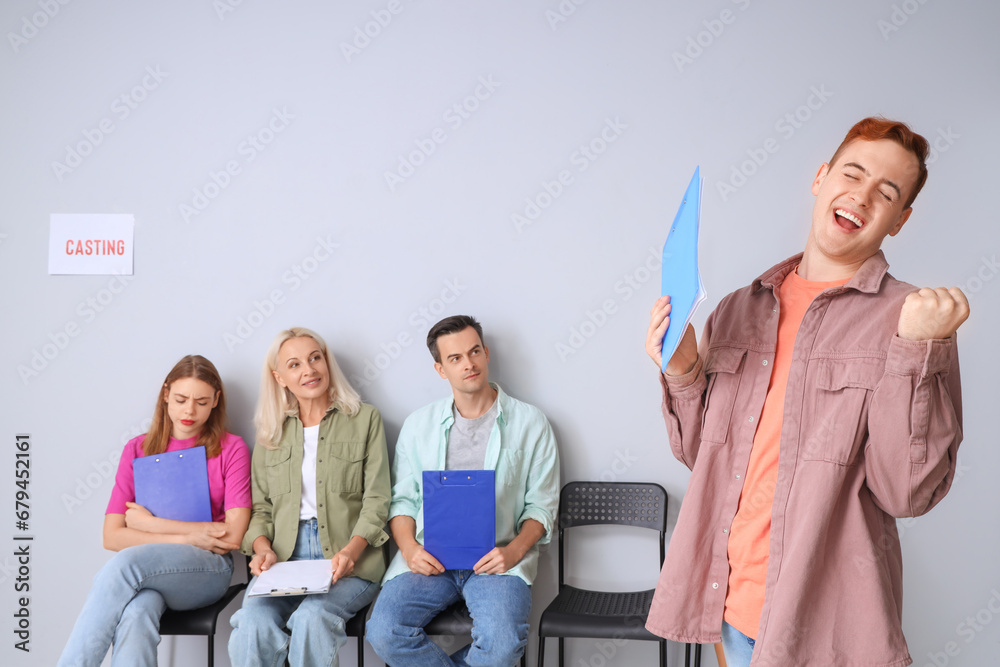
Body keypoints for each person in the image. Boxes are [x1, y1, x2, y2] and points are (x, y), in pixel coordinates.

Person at [643, 117, 969, 666]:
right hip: (730, 605)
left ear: (900, 220)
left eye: (886, 193)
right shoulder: (739, 308)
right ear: (821, 177)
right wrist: (683, 369)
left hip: (823, 622)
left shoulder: (910, 320)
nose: (861, 196)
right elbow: (704, 456)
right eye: (852, 173)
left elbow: (906, 493)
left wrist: (918, 352)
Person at [367, 315, 560, 667]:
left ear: (486, 354)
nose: (468, 364)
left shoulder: (532, 423)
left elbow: (542, 507)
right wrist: (409, 549)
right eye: (455, 358)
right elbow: (403, 501)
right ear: (441, 369)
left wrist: (514, 551)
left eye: (474, 352)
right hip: (429, 557)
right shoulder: (417, 426)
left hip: (497, 560)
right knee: (382, 631)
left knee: (502, 644)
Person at [58, 355, 251, 667]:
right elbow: (112, 536)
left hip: (210, 569)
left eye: (202, 401)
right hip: (154, 572)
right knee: (138, 610)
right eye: (181, 399)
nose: (190, 410)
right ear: (165, 395)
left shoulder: (231, 448)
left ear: (216, 400)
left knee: (126, 564)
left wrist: (149, 525)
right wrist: (194, 534)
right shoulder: (137, 449)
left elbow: (232, 536)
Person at [228, 327, 390, 667]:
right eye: (295, 364)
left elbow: (377, 500)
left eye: (315, 358)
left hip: (351, 559)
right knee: (252, 623)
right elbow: (260, 510)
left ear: (326, 362)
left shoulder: (365, 420)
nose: (309, 370)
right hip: (285, 559)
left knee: (311, 619)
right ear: (280, 377)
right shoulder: (271, 435)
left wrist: (350, 552)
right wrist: (262, 548)